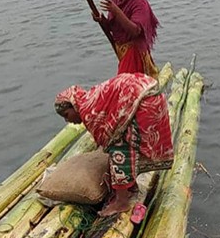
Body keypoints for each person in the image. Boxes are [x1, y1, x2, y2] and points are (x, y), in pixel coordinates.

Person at [54, 73, 173, 217]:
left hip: (143, 101)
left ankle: (122, 202)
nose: (68, 121)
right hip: (149, 94)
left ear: (73, 105)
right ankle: (130, 188)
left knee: (118, 147)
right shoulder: (89, 99)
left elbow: (111, 139)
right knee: (123, 140)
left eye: (66, 115)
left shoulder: (88, 109)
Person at [93, 0, 160, 78]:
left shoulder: (140, 1)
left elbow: (135, 31)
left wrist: (116, 11)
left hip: (134, 51)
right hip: (122, 49)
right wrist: (101, 20)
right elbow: (113, 27)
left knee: (125, 84)